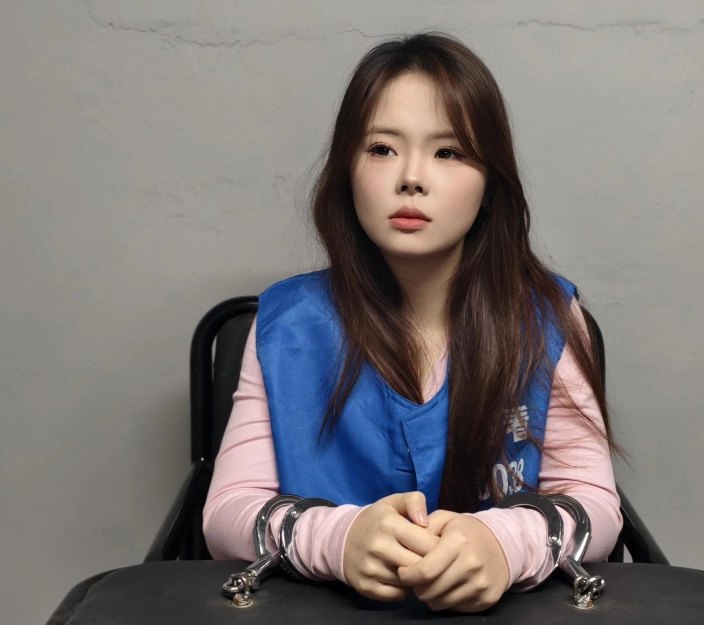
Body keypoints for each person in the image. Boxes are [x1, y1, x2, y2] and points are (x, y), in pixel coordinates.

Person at [203, 30, 623, 613]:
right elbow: (226, 513)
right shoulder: (286, 325)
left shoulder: (548, 315)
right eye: (382, 149)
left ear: (490, 184)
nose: (411, 178)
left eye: (448, 152)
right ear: (346, 170)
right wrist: (337, 539)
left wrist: (505, 544)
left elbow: (595, 501)